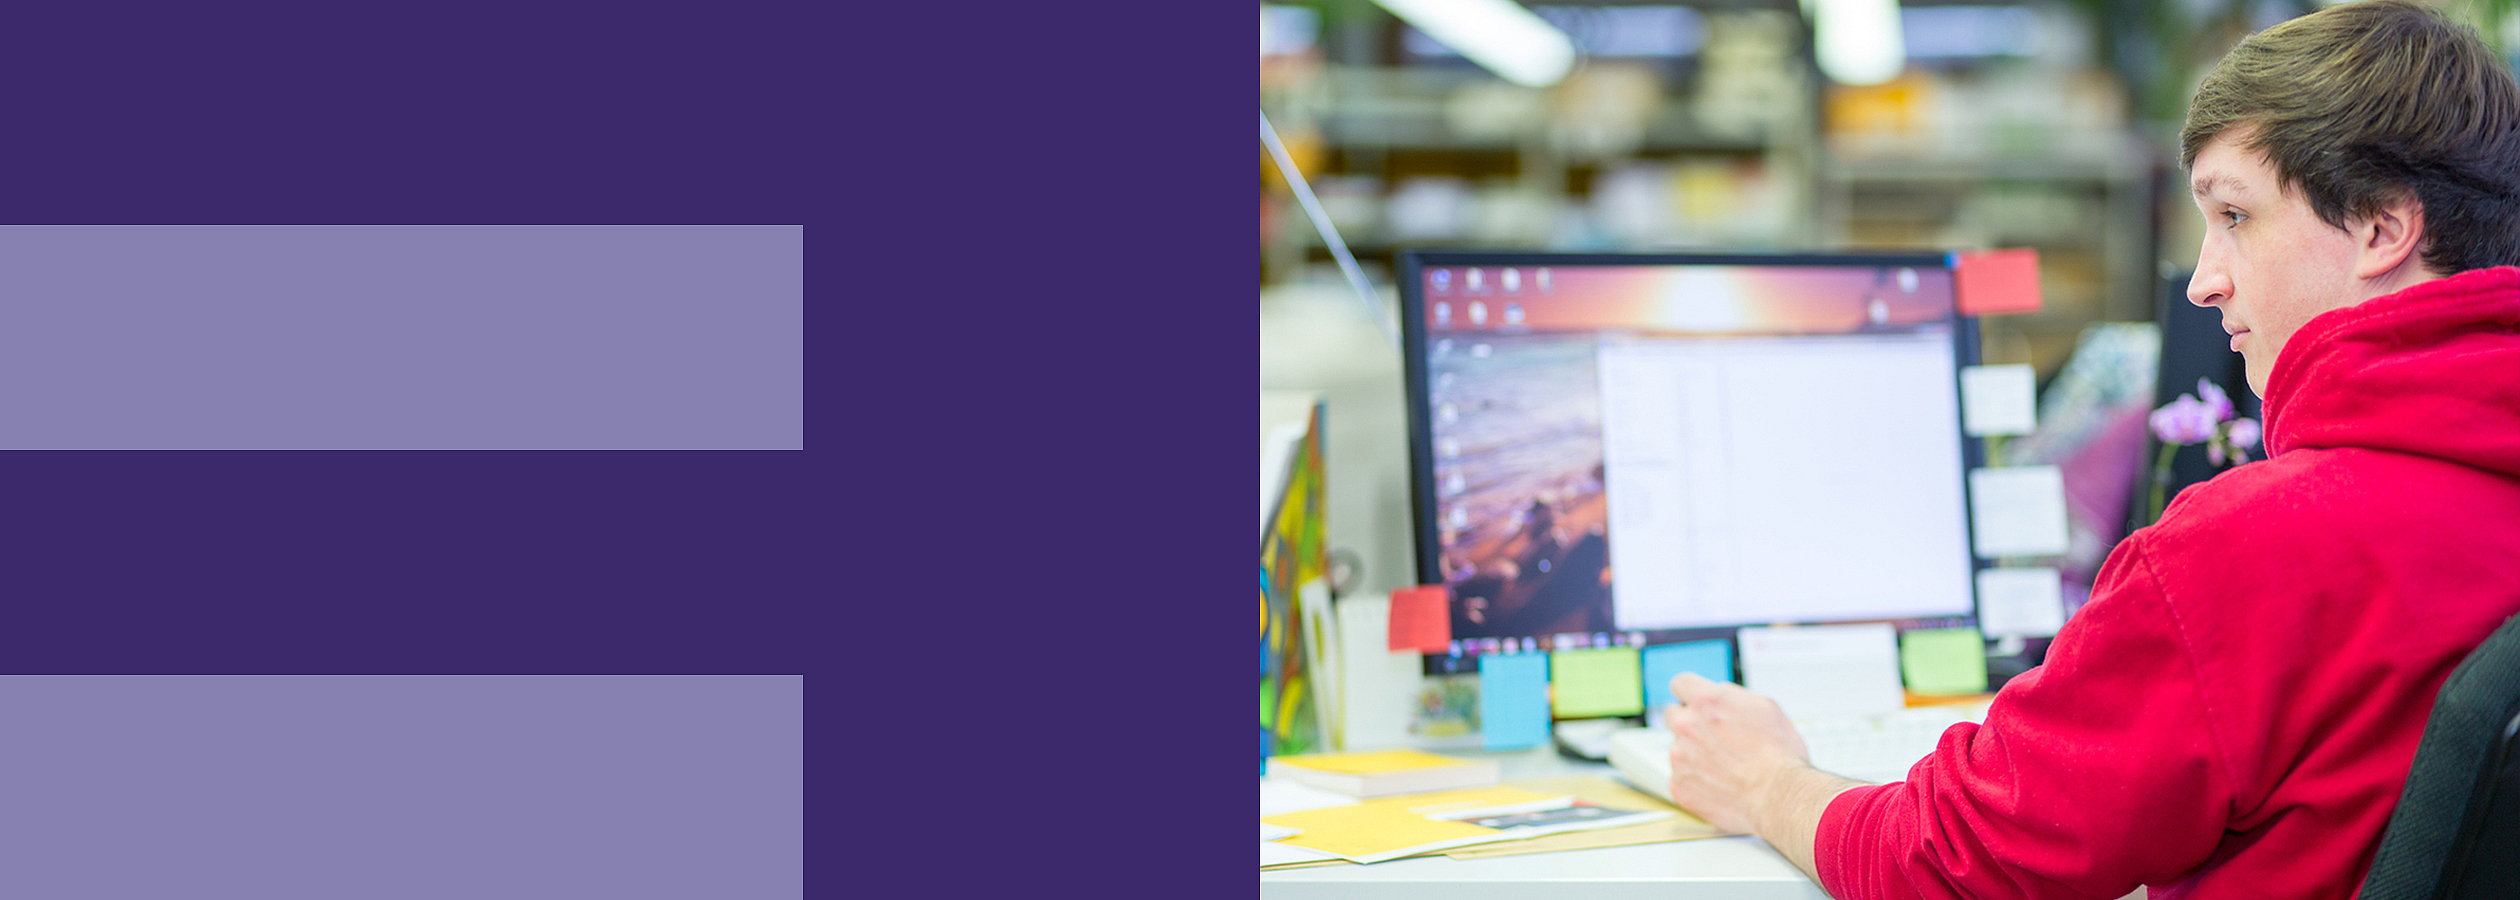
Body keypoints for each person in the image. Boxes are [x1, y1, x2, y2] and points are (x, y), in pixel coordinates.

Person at [1657, 3, 2520, 897]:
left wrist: (1763, 780)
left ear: (2382, 227)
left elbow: (1951, 862)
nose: (2203, 279)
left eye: (2235, 214)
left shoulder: (2257, 545)